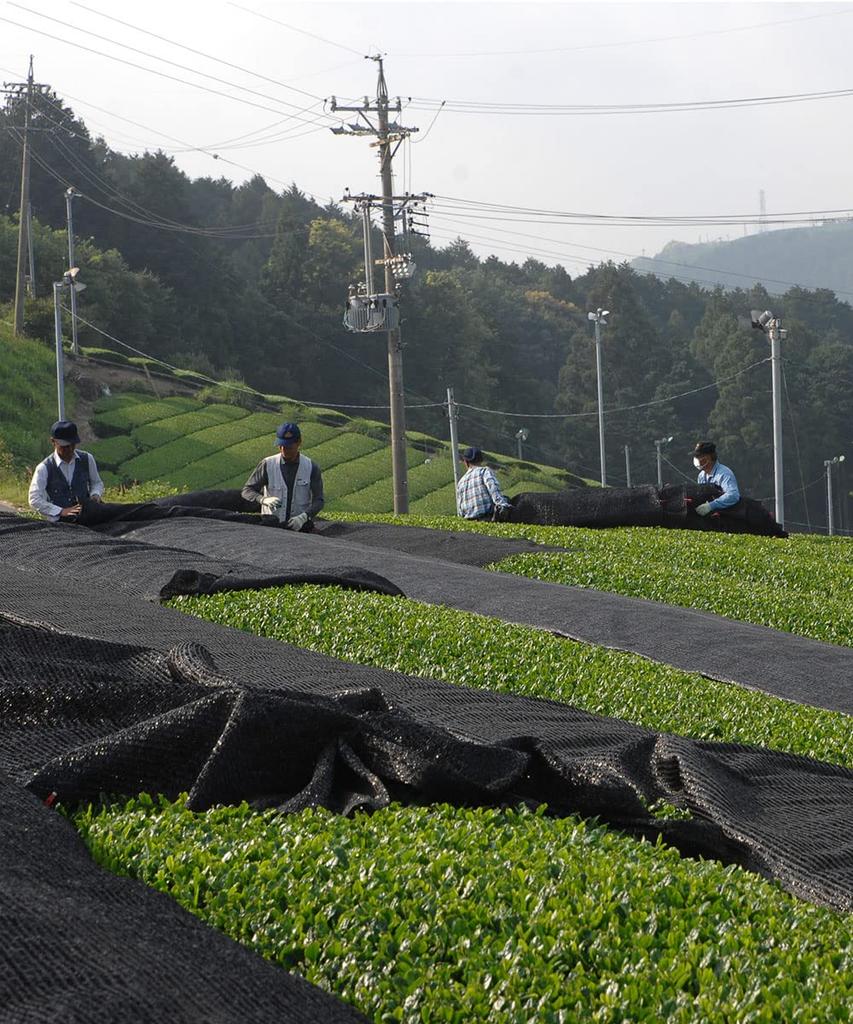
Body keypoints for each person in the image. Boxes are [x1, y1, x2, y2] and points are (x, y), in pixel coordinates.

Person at [242, 422, 324, 531]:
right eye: (281, 445)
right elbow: (247, 490)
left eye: (288, 446)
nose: (283, 449)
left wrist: (304, 517)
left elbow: (319, 500)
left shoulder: (310, 467)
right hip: (271, 527)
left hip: (299, 528)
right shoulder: (267, 464)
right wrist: (263, 499)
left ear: (299, 442)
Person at [28, 420, 105, 523]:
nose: (69, 449)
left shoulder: (87, 459)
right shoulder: (44, 468)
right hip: (60, 524)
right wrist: (60, 511)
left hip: (87, 518)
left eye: (72, 445)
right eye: (64, 446)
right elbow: (34, 499)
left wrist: (95, 495)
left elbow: (97, 483)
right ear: (53, 442)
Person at [456, 446, 512, 521]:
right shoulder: (484, 471)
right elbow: (493, 490)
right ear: (481, 460)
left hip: (469, 523)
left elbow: (460, 511)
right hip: (487, 518)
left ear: (466, 462)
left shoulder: (460, 482)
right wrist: (502, 505)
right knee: (508, 500)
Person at [691, 441, 741, 516]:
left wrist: (711, 506)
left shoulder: (724, 473)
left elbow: (733, 495)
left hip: (727, 515)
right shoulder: (701, 476)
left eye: (699, 456)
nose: (697, 459)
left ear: (709, 458)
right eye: (696, 457)